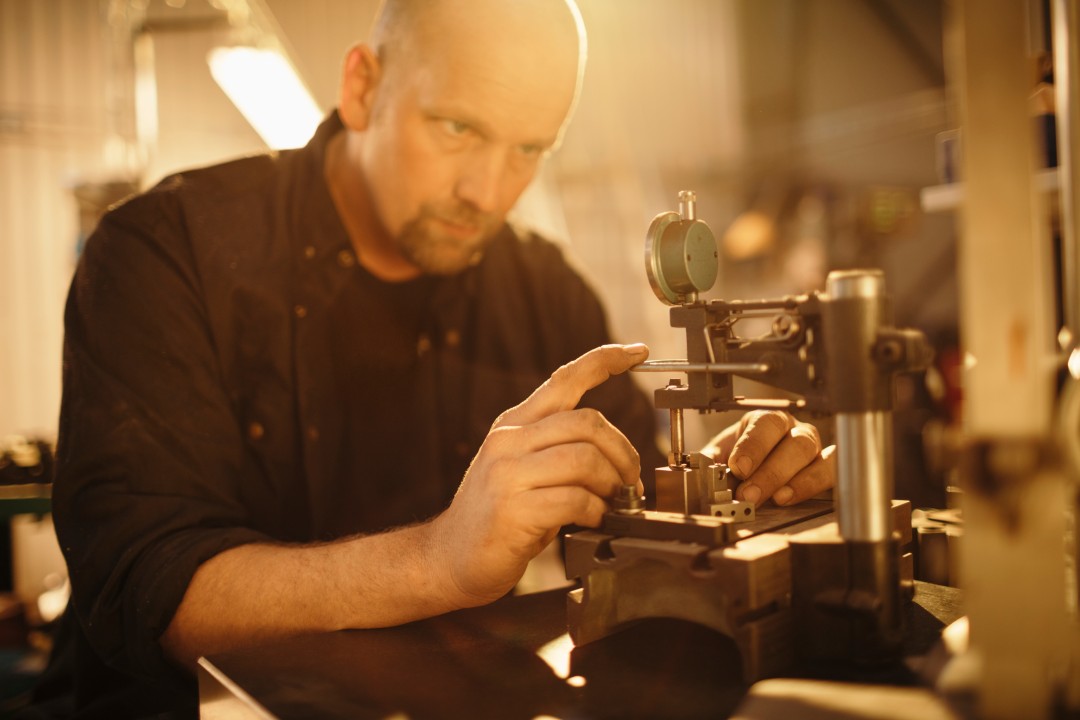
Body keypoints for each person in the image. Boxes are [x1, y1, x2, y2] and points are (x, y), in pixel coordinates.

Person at [23, 0, 834, 717]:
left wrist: (731, 486)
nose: (488, 191)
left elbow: (628, 498)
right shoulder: (165, 255)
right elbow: (151, 592)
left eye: (529, 149)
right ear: (363, 86)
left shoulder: (545, 292)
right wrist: (440, 560)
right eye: (459, 128)